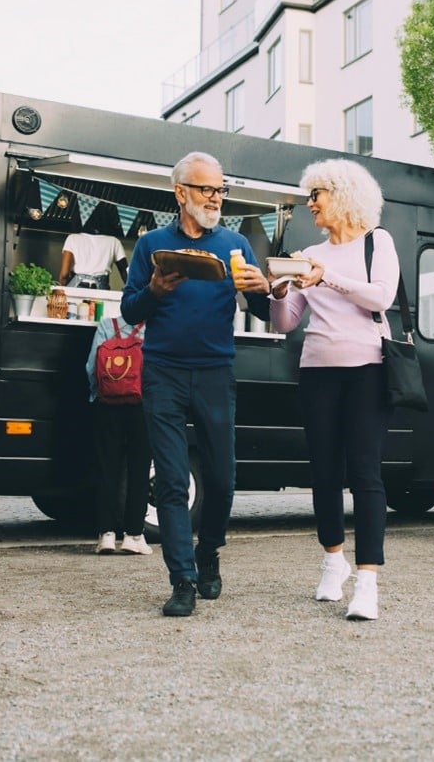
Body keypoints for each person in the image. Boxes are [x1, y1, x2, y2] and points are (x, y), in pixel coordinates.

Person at [121, 151, 271, 617]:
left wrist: (263, 288)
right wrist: (155, 291)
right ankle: (181, 579)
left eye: (221, 189)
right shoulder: (151, 246)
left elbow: (265, 312)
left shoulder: (235, 244)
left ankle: (210, 553)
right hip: (162, 372)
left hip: (214, 371)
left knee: (222, 479)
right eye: (207, 189)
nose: (216, 198)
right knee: (170, 480)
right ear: (180, 193)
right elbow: (130, 312)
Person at [268, 159, 395, 621]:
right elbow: (285, 324)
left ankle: (367, 583)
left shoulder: (376, 242)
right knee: (323, 472)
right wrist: (279, 291)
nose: (310, 204)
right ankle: (332, 562)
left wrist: (326, 277)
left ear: (340, 194)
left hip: (367, 370)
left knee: (365, 473)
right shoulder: (307, 252)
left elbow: (381, 297)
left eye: (315, 194)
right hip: (317, 372)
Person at [85, 312, 152, 557]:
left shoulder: (107, 325)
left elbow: (92, 365)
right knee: (139, 468)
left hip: (107, 404)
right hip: (141, 405)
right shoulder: (153, 325)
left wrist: (97, 394)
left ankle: (106, 535)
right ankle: (133, 535)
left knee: (106, 466)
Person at [60, 224, 129, 289]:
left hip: (76, 288)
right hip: (101, 290)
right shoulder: (114, 241)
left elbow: (64, 274)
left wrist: (63, 291)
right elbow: (126, 275)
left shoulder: (72, 238)